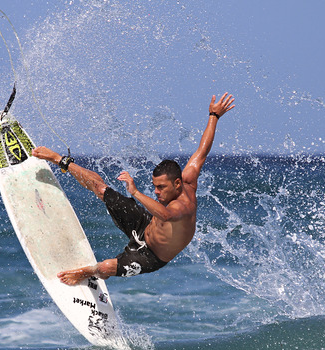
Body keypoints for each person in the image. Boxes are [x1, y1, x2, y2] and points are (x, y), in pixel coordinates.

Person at [32, 93, 235, 285]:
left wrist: (135, 192)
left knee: (106, 267)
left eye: (161, 187)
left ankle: (87, 273)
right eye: (155, 186)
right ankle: (59, 159)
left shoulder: (184, 205)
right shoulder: (188, 176)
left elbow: (165, 215)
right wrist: (214, 116)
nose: (157, 192)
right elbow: (202, 150)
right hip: (145, 226)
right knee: (102, 190)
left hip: (151, 256)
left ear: (178, 183)